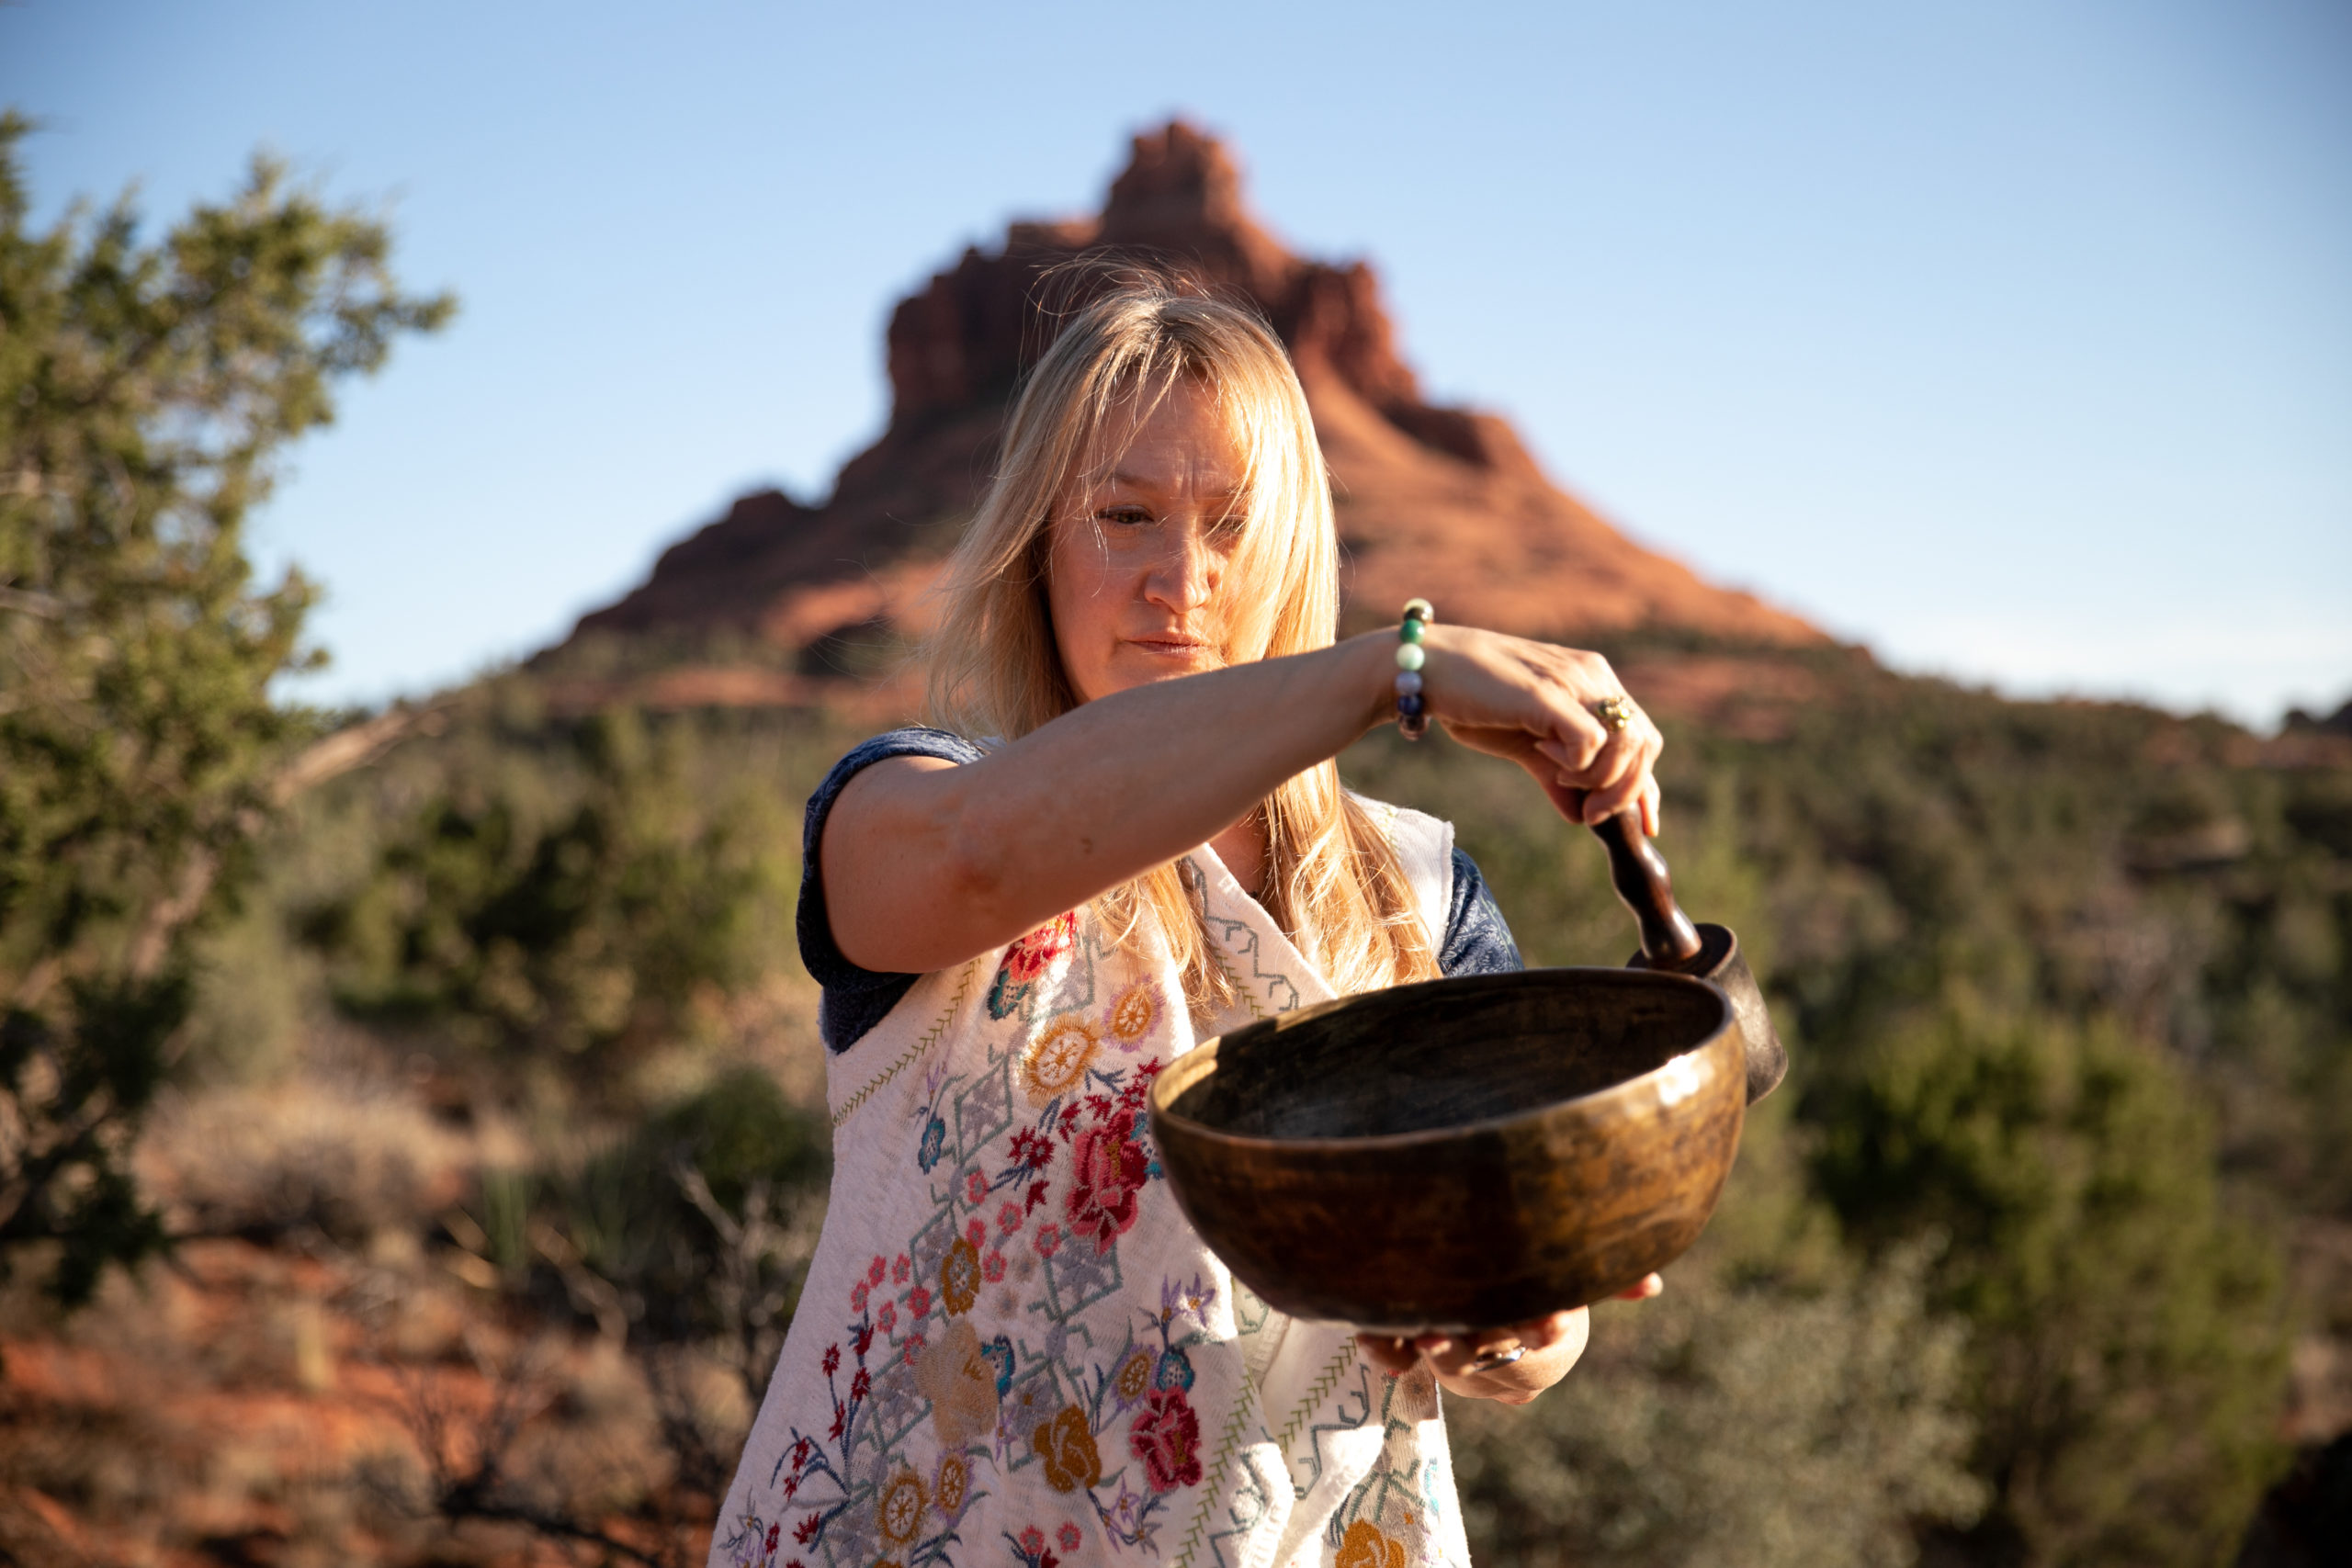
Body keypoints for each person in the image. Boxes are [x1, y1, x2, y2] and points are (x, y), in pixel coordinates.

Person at [710, 276, 1666, 1568]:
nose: (1184, 580)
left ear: (1294, 546)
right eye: (1125, 516)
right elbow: (977, 862)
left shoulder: (1420, 894)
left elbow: (1534, 1324)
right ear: (1038, 543)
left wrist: (1519, 1325)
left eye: (1233, 524)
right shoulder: (917, 801)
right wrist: (1384, 672)